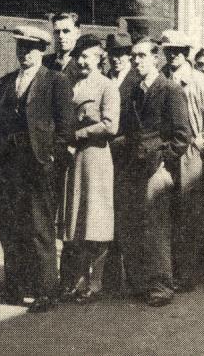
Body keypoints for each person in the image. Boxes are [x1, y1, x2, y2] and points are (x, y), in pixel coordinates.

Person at [0, 26, 72, 313]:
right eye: (20, 48)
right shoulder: (6, 82)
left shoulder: (55, 81)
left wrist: (53, 160)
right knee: (10, 226)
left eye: (30, 48)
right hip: (9, 166)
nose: (24, 53)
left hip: (39, 166)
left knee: (40, 228)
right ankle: (15, 286)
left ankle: (46, 290)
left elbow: (65, 129)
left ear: (41, 51)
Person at [116, 37, 190, 306]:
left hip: (157, 169)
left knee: (157, 229)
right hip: (134, 166)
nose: (136, 61)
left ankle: (161, 286)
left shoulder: (170, 90)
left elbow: (183, 136)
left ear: (156, 59)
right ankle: (138, 284)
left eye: (142, 56)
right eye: (133, 57)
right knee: (134, 225)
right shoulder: (134, 90)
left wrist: (163, 160)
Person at [159, 30, 204, 293]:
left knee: (189, 216)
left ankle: (186, 274)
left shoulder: (202, 82)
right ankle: (167, 271)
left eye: (178, 49)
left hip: (190, 156)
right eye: (168, 50)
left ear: (187, 52)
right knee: (164, 212)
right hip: (164, 153)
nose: (173, 54)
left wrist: (197, 145)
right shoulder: (160, 79)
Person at [59, 33, 119, 303]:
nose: (82, 61)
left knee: (97, 221)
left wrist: (78, 135)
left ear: (99, 58)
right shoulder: (71, 84)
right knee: (78, 220)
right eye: (79, 56)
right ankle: (79, 280)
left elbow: (110, 125)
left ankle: (96, 282)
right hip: (75, 160)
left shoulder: (107, 86)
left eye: (87, 56)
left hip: (96, 158)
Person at [102, 30, 138, 293]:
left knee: (128, 215)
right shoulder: (103, 81)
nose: (117, 60)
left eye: (122, 55)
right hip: (104, 158)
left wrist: (121, 143)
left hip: (127, 157)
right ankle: (110, 277)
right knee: (108, 214)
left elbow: (139, 126)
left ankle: (132, 277)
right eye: (113, 55)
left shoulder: (136, 83)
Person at [44, 11, 82, 79]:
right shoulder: (44, 61)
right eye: (57, 32)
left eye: (66, 31)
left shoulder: (83, 64)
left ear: (78, 33)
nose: (61, 36)